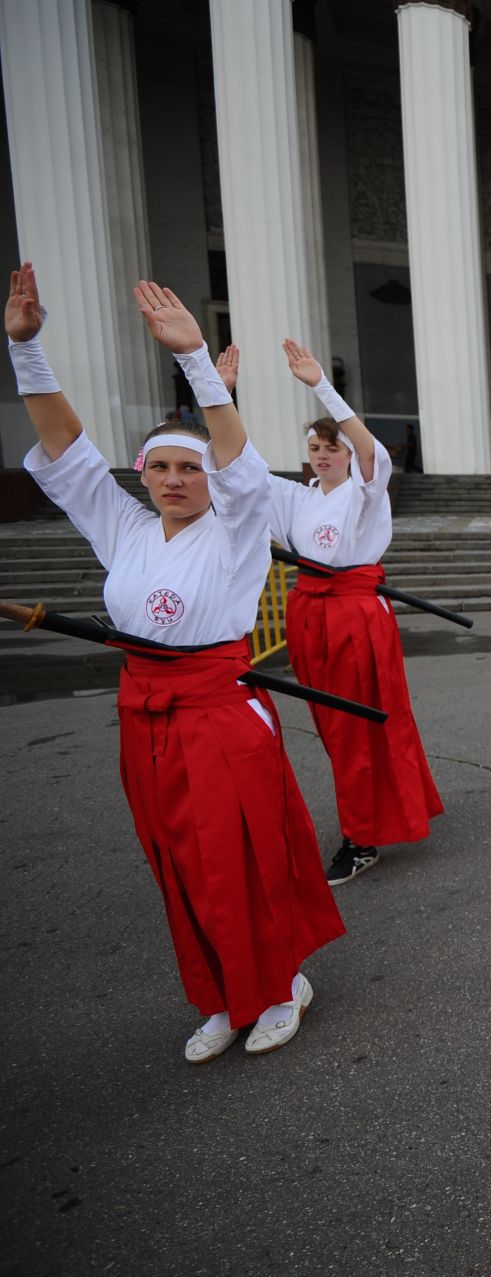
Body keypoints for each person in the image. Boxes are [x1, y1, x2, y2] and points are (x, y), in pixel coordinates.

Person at [9, 264, 344, 1062]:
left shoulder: (237, 525)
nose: (173, 480)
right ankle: (223, 992)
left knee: (242, 856)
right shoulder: (122, 527)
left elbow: (237, 460)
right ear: (142, 474)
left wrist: (197, 364)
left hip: (220, 713)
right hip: (146, 719)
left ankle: (277, 981)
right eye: (159, 467)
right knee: (181, 863)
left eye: (188, 468)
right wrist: (25, 349)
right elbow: (65, 446)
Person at [216, 342, 444, 886]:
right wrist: (218, 397)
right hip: (309, 613)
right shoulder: (297, 497)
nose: (322, 454)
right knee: (333, 727)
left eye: (332, 447)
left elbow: (370, 448)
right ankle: (369, 817)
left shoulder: (364, 493)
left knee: (354, 725)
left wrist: (322, 385)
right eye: (316, 446)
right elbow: (239, 468)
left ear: (348, 455)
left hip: (354, 616)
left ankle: (362, 834)